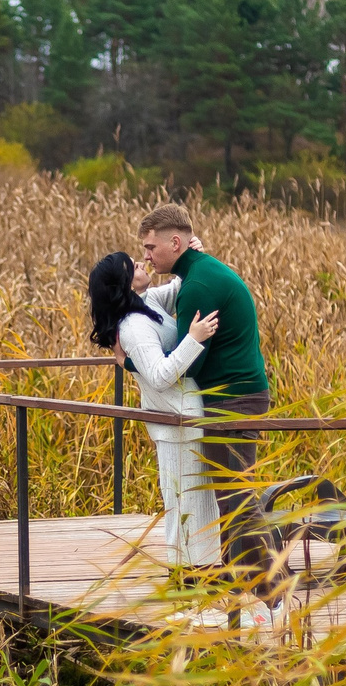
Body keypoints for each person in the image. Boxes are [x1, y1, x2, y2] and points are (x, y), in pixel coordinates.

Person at [135, 203, 274, 581]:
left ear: (175, 242)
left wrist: (137, 361)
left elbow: (190, 364)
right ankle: (238, 585)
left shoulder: (197, 284)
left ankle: (270, 590)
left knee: (237, 498)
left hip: (233, 400)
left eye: (151, 247)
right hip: (237, 394)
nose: (145, 256)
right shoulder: (199, 271)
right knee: (230, 495)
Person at [87, 251, 222, 565]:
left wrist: (193, 254)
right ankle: (188, 581)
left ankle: (202, 577)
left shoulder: (146, 303)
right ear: (122, 284)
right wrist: (193, 338)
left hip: (186, 419)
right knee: (185, 504)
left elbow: (177, 288)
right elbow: (160, 375)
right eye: (130, 266)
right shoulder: (134, 326)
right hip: (176, 424)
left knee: (199, 502)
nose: (139, 262)